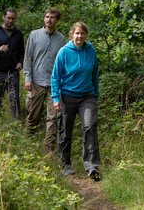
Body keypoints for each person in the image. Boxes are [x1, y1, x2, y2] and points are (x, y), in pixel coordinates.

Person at [51, 22, 101, 181]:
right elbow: (55, 77)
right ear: (72, 34)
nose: (80, 36)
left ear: (86, 35)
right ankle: (65, 164)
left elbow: (95, 74)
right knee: (65, 131)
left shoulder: (90, 50)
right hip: (67, 96)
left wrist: (95, 93)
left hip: (87, 96)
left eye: (82, 33)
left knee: (90, 126)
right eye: (77, 33)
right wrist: (56, 98)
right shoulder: (64, 52)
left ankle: (92, 166)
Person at [23, 8, 66, 153]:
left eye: (52, 17)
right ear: (44, 19)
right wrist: (27, 78)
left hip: (54, 84)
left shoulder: (61, 39)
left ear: (57, 20)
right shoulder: (34, 35)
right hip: (36, 82)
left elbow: (63, 62)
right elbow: (28, 58)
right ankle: (26, 144)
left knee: (53, 118)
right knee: (33, 116)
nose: (49, 20)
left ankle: (49, 151)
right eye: (47, 17)